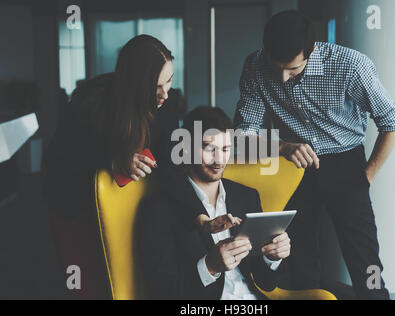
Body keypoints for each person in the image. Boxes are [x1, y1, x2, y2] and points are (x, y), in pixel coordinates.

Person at [234, 10, 395, 299]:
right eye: (276, 68)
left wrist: (366, 176)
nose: (283, 77)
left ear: (312, 50)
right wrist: (281, 147)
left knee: (364, 258)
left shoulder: (351, 66)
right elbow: (242, 134)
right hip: (293, 165)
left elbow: (393, 121)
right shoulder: (255, 65)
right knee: (298, 255)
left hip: (346, 161)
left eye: (293, 69)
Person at [137, 106, 291, 299]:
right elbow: (162, 291)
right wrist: (209, 266)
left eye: (225, 149)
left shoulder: (246, 196)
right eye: (209, 148)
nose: (219, 159)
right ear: (186, 147)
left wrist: (273, 258)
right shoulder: (158, 209)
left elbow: (266, 283)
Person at [44, 35, 180, 217]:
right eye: (156, 87)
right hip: (84, 206)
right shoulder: (91, 101)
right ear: (135, 83)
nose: (165, 95)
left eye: (169, 80)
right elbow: (58, 160)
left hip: (141, 206)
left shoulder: (168, 104)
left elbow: (170, 165)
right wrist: (114, 162)